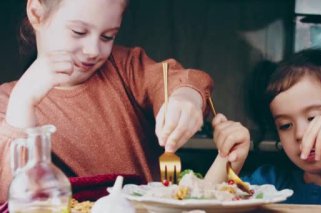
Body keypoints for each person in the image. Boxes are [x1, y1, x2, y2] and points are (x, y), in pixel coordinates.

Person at [0, 0, 213, 203]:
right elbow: (11, 195)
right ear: (36, 13)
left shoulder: (126, 68)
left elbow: (179, 80)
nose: (93, 50)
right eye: (78, 32)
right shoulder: (6, 101)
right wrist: (22, 102)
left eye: (107, 37)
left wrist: (185, 97)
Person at [205, 49, 321, 212]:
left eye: (312, 118)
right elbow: (203, 208)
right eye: (285, 125)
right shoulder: (269, 186)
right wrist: (228, 157)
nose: (300, 134)